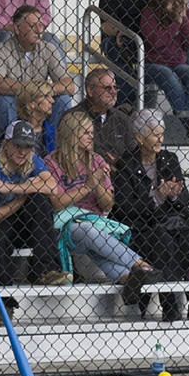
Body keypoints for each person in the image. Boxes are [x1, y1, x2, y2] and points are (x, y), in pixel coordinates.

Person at [44, 111, 162, 309]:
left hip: (96, 222)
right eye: (85, 132)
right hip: (65, 225)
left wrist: (97, 181)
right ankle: (139, 264)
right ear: (71, 134)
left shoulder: (96, 161)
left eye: (92, 132)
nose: (91, 136)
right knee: (87, 231)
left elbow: (107, 205)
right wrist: (87, 185)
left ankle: (126, 279)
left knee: (94, 236)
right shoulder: (51, 162)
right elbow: (56, 203)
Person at [113, 110, 189, 322]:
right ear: (140, 138)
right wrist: (156, 197)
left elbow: (185, 198)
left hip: (173, 221)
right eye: (154, 134)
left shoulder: (170, 159)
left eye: (162, 134)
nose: (160, 139)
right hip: (143, 226)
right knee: (164, 239)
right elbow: (124, 207)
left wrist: (175, 195)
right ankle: (170, 304)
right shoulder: (126, 164)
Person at [0, 120, 69, 291]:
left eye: (28, 146)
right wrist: (22, 198)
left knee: (40, 200)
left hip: (22, 225)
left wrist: (8, 188)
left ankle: (47, 270)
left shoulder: (33, 160)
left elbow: (52, 187)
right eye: (18, 145)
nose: (23, 151)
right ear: (6, 144)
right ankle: (4, 304)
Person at [0, 5, 74, 139]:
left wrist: (46, 89)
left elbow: (69, 85)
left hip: (37, 108)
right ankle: (12, 147)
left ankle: (53, 148)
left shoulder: (48, 48)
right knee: (4, 101)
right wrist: (33, 89)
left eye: (40, 25)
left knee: (64, 100)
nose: (39, 30)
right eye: (32, 26)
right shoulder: (1, 48)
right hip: (7, 111)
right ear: (17, 28)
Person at [139, 0, 189, 126]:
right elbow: (156, 41)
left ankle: (187, 119)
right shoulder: (149, 11)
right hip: (153, 64)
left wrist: (183, 18)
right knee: (168, 76)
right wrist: (176, 22)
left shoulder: (183, 10)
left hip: (177, 63)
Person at [98, 0, 157, 104]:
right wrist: (119, 32)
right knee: (116, 47)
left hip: (149, 36)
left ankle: (145, 106)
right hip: (122, 37)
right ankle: (126, 104)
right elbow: (106, 24)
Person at [65, 68, 136, 165]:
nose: (113, 92)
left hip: (120, 176)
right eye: (107, 88)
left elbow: (133, 155)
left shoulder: (122, 119)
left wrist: (120, 165)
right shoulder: (72, 117)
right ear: (90, 90)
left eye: (115, 87)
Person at [16, 79, 57, 156]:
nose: (52, 101)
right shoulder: (15, 130)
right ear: (32, 103)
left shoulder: (52, 130)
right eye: (45, 96)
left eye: (51, 96)